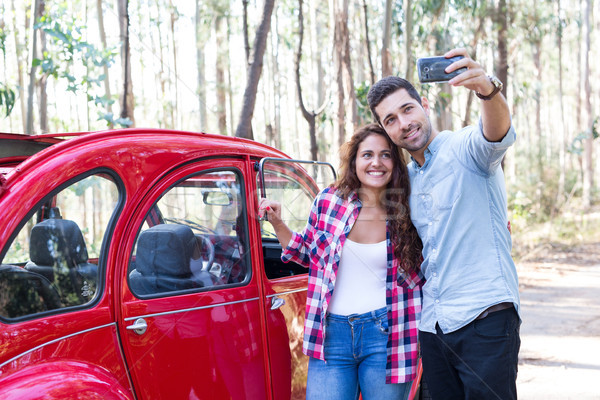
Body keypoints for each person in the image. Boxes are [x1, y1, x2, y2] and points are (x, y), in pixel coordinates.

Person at [367, 48, 521, 400]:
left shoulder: (465, 148)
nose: (403, 123)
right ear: (386, 130)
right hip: (433, 326)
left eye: (407, 109)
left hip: (485, 318)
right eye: (390, 119)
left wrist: (488, 91)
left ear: (423, 104)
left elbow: (495, 132)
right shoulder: (404, 181)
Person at [258, 123, 424, 400]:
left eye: (386, 155)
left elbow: (431, 266)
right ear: (354, 161)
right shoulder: (329, 201)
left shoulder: (409, 208)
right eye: (367, 154)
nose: (376, 162)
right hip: (331, 335)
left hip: (387, 335)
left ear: (396, 162)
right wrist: (276, 222)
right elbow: (306, 254)